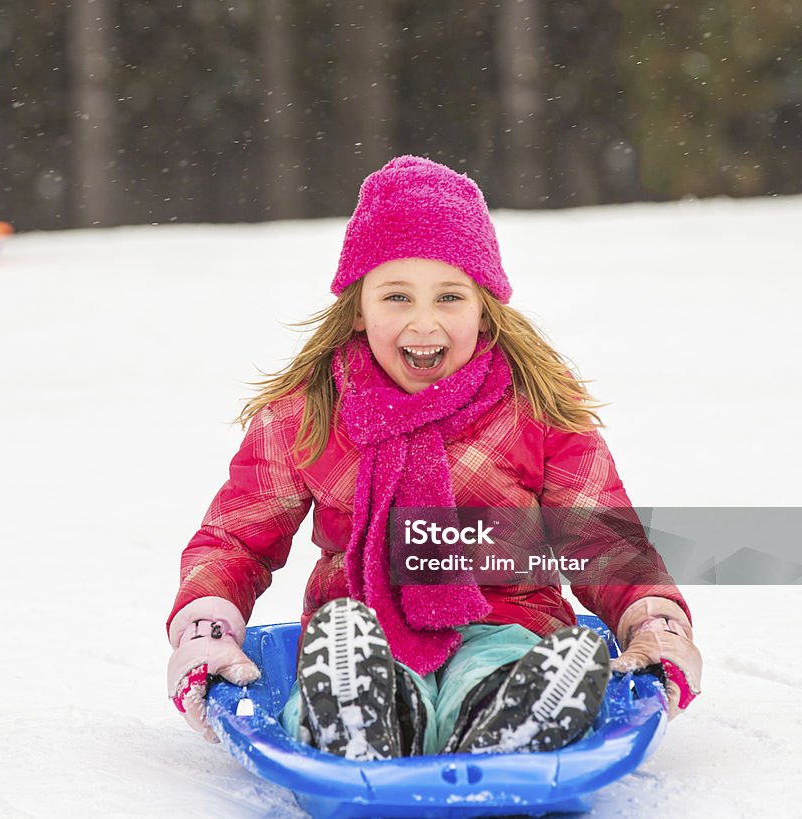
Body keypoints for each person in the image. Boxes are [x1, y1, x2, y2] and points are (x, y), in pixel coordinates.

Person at [165, 156, 702, 758]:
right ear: (359, 308)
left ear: (484, 307)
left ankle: (515, 708)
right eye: (397, 296)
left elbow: (603, 542)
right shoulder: (308, 415)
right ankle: (356, 710)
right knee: (357, 654)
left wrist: (654, 623)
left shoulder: (536, 410)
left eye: (450, 296)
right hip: (362, 629)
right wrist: (206, 630)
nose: (424, 322)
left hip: (509, 623)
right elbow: (234, 539)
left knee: (497, 661)